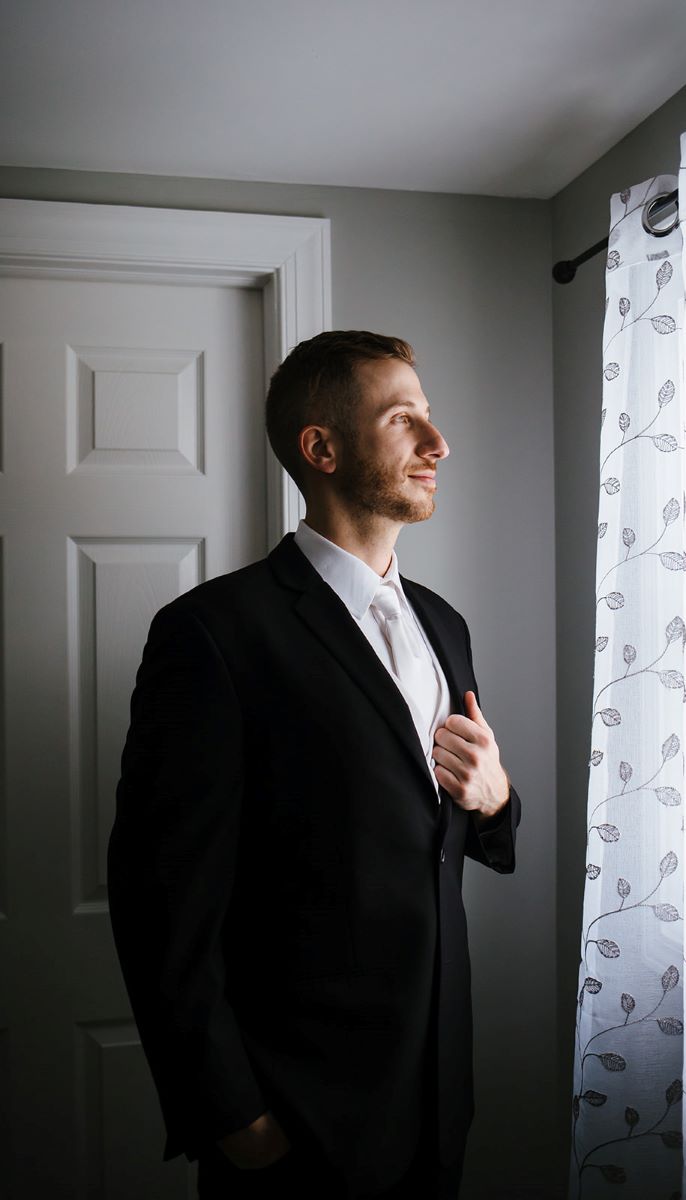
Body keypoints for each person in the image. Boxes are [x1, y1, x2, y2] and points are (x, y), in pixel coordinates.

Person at [107, 330, 521, 1199]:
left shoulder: (444, 624)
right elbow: (161, 903)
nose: (437, 445)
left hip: (438, 1095)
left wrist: (496, 799)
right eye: (404, 420)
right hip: (293, 1117)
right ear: (321, 448)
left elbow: (439, 823)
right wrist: (233, 1118)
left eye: (431, 420)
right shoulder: (212, 635)